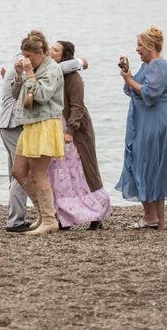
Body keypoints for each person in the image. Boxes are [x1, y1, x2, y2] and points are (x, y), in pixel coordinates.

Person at [0, 53, 88, 232]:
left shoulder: (35, 67)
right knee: (21, 172)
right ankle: (20, 219)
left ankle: (42, 217)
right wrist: (80, 62)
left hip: (18, 124)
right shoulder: (27, 67)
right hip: (15, 123)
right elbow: (27, 92)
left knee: (22, 172)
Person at [115, 26, 167, 229]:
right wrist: (128, 74)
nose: (137, 49)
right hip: (144, 120)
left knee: (149, 164)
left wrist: (130, 80)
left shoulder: (158, 65)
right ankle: (153, 217)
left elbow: (150, 93)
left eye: (140, 45)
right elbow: (132, 91)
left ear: (151, 46)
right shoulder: (148, 65)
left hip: (156, 121)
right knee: (144, 164)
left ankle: (153, 217)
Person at [47, 40, 112, 230]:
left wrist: (71, 131)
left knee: (81, 171)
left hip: (74, 130)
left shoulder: (73, 78)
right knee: (59, 172)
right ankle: (64, 215)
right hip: (56, 126)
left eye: (56, 50)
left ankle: (96, 214)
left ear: (65, 55)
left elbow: (78, 107)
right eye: (51, 48)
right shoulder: (53, 74)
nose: (52, 51)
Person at [10, 30, 65, 236]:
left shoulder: (52, 69)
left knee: (37, 173)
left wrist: (30, 74)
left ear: (40, 52)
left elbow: (41, 96)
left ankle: (50, 220)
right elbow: (16, 94)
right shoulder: (34, 67)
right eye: (24, 56)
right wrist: (19, 75)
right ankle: (44, 214)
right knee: (19, 171)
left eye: (29, 56)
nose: (26, 60)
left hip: (45, 123)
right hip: (31, 123)